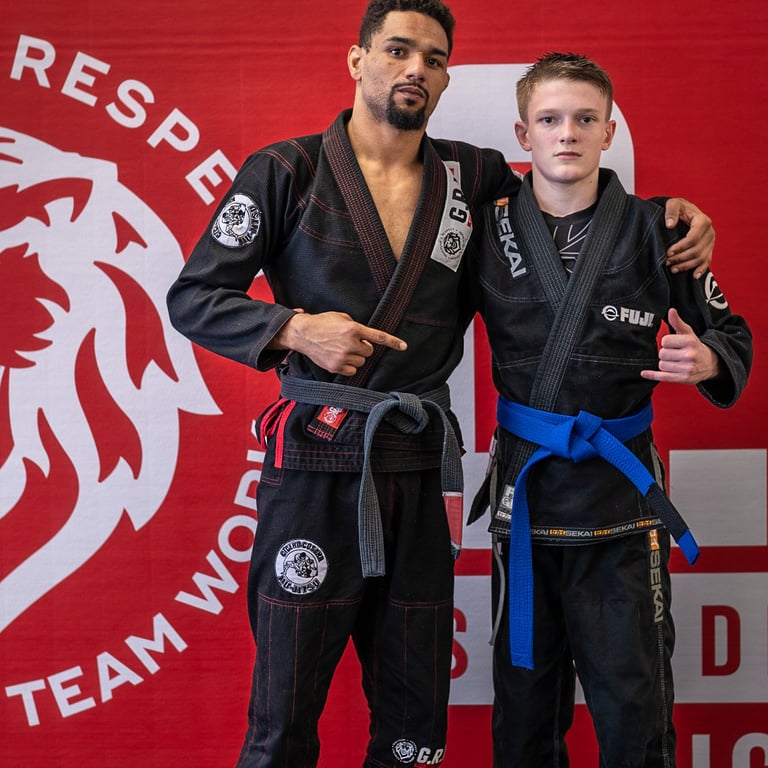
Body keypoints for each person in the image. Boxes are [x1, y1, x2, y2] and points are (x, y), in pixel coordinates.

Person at [166, 2, 715, 764]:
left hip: (422, 471)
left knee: (414, 725)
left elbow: (570, 200)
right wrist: (293, 329)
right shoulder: (286, 171)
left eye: (433, 58)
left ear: (446, 76)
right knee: (283, 714)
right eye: (397, 50)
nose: (415, 69)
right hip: (317, 466)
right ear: (358, 59)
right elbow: (193, 297)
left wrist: (670, 220)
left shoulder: (473, 175)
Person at [468, 52, 753, 768]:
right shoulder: (483, 232)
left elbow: (731, 334)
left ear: (609, 131)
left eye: (584, 119)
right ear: (523, 134)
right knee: (523, 721)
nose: (567, 133)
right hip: (525, 500)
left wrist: (710, 360)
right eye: (549, 119)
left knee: (635, 714)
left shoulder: (660, 230)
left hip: (621, 504)